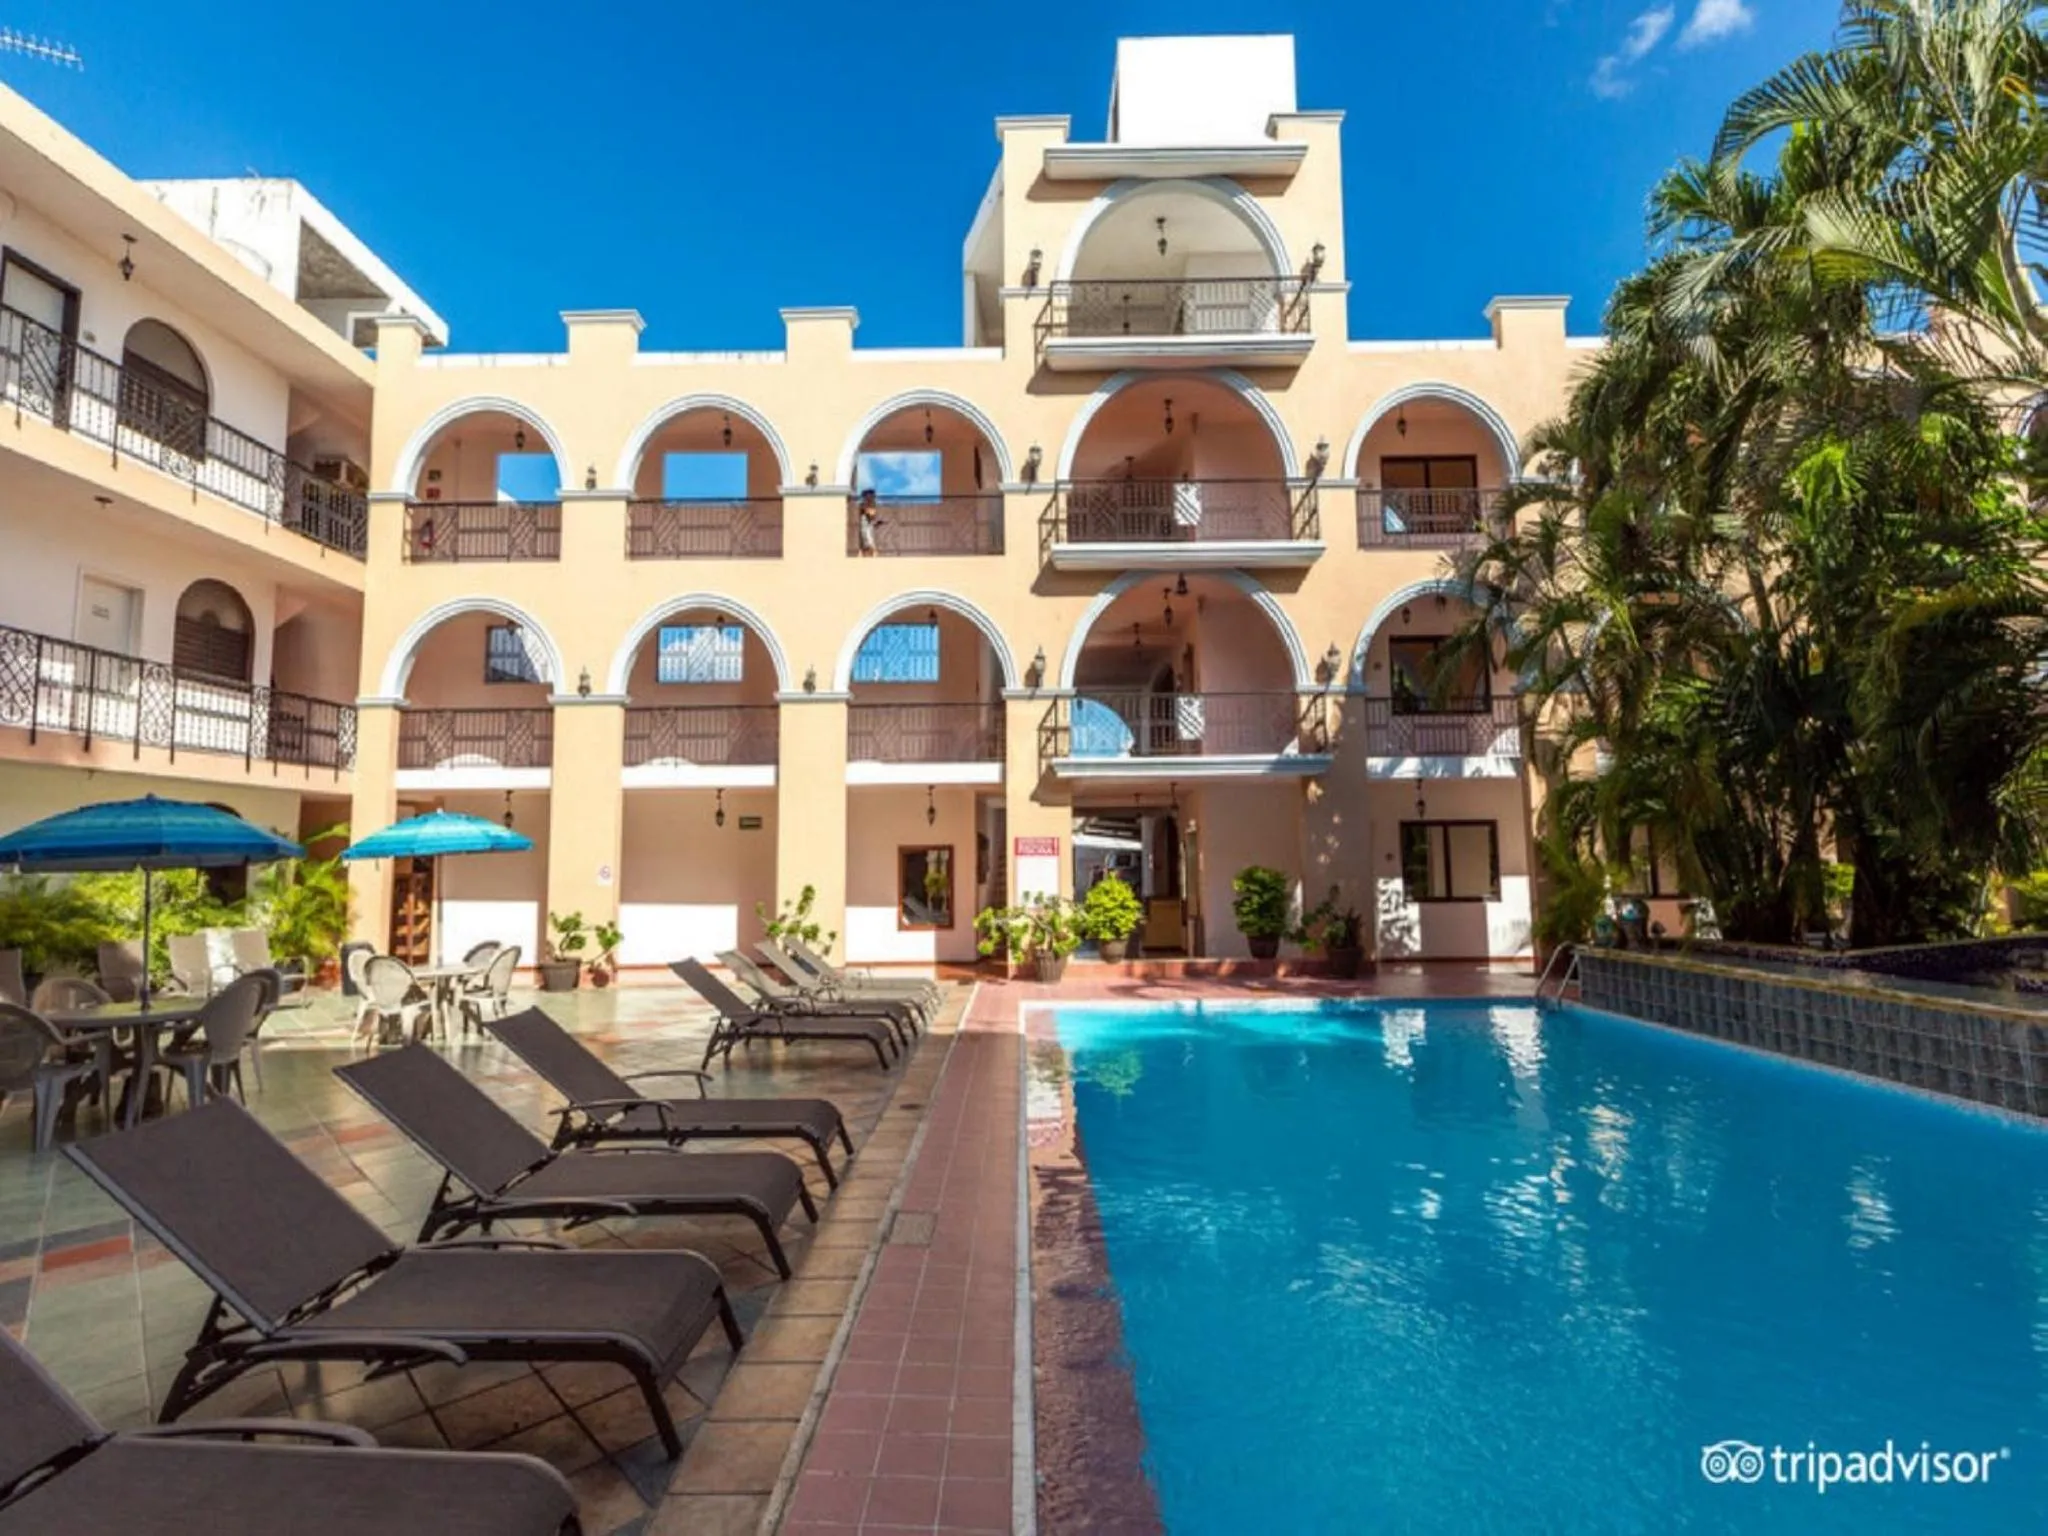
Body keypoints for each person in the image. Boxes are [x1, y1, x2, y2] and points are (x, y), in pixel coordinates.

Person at [856, 488, 884, 556]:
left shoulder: (872, 505)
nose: (873, 498)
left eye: (873, 496)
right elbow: (868, 516)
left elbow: (871, 519)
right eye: (871, 496)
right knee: (867, 544)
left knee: (869, 544)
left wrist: (877, 523)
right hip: (865, 527)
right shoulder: (863, 505)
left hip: (869, 528)